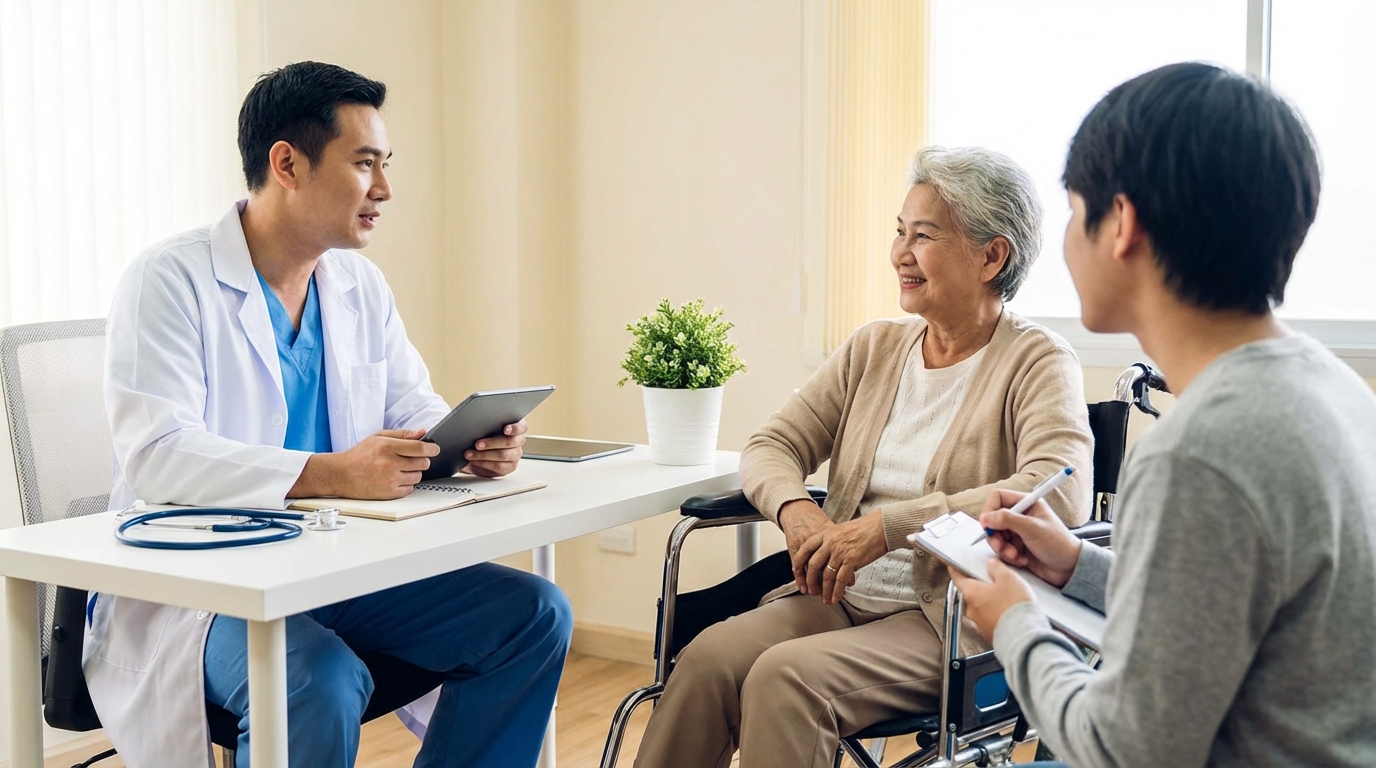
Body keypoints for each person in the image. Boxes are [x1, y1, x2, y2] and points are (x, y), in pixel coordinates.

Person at [90, 62, 573, 767]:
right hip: (204, 585)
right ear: (287, 163)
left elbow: (413, 406)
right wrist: (331, 472)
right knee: (315, 682)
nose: (384, 190)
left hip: (335, 569)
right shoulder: (169, 281)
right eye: (364, 164)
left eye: (385, 165)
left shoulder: (356, 283)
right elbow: (158, 455)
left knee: (533, 616)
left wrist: (465, 446)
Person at [952, 62, 1376, 767]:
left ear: (1123, 223)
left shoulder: (1198, 451)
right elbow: (1232, 616)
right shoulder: (1336, 389)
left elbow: (1124, 751)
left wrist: (1016, 625)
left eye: (1073, 208)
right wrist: (1074, 565)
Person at [634, 146, 1094, 767]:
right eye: (899, 232)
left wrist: (888, 528)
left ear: (992, 255)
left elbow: (1056, 490)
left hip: (950, 620)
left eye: (924, 235)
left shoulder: (1037, 360)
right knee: (709, 659)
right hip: (839, 598)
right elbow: (772, 445)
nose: (900, 253)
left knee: (786, 679)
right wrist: (798, 512)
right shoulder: (873, 348)